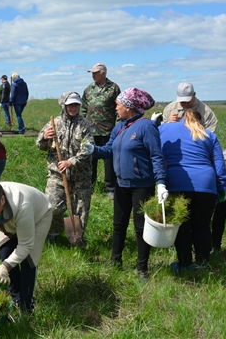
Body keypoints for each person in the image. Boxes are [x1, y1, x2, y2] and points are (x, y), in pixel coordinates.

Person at [93, 87, 167, 283]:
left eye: (118, 104)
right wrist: (92, 150)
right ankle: (115, 261)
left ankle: (142, 269)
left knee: (141, 227)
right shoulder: (119, 127)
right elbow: (108, 150)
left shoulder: (146, 127)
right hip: (121, 184)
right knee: (118, 225)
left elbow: (157, 156)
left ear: (129, 106)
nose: (115, 108)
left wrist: (161, 183)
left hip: (141, 185)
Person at [159, 110, 226, 272]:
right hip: (206, 185)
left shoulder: (166, 129)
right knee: (202, 226)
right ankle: (203, 263)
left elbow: (157, 152)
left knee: (182, 226)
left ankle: (184, 263)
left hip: (177, 183)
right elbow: (219, 163)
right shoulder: (208, 135)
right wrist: (222, 186)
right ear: (199, 121)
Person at [0, 177, 53, 314]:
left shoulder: (22, 205)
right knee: (5, 252)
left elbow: (26, 245)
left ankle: (27, 307)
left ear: (2, 200)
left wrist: (5, 267)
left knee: (28, 261)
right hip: (7, 220)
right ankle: (16, 299)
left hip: (38, 216)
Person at [36, 92, 94, 246]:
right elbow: (40, 146)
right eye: (70, 105)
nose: (73, 108)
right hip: (57, 175)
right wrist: (45, 138)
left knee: (80, 211)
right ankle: (54, 233)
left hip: (81, 176)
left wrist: (72, 161)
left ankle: (77, 238)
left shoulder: (85, 125)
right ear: (64, 106)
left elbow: (89, 149)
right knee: (52, 206)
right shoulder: (54, 124)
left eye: (76, 105)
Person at [81, 63, 121, 199]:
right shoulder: (88, 89)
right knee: (90, 159)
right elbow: (83, 109)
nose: (93, 75)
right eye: (92, 73)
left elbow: (119, 108)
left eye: (96, 72)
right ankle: (90, 186)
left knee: (109, 161)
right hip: (91, 131)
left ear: (103, 73)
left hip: (108, 131)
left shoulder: (114, 88)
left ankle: (110, 188)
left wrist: (119, 126)